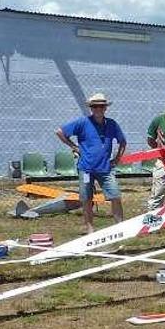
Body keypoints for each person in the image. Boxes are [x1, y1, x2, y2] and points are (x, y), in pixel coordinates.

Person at [56, 93, 126, 234]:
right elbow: (59, 132)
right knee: (86, 199)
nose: (98, 109)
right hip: (86, 169)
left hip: (105, 169)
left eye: (101, 106)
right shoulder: (82, 122)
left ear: (105, 108)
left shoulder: (111, 124)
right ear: (91, 108)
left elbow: (122, 141)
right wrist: (74, 147)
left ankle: (120, 228)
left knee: (115, 196)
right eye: (95, 106)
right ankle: (90, 229)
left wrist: (117, 158)